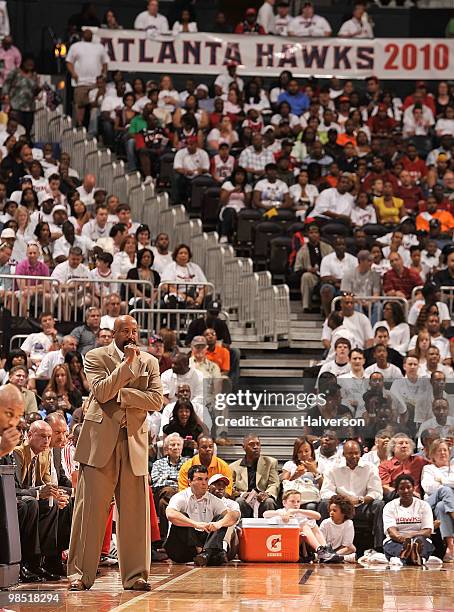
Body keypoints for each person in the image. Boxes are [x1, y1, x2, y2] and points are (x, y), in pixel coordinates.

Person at [67, 315, 163, 591]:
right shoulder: (95, 356)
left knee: (135, 515)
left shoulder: (151, 361)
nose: (130, 335)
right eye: (124, 331)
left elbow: (156, 400)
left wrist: (124, 395)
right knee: (89, 512)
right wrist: (127, 367)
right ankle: (79, 574)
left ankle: (136, 576)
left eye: (134, 330)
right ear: (113, 333)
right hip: (99, 443)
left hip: (134, 442)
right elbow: (100, 391)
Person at [13, 419, 69, 581]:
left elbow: (46, 484)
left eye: (49, 437)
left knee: (55, 505)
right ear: (29, 435)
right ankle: (27, 563)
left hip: (29, 499)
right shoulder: (18, 453)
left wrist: (56, 494)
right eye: (42, 436)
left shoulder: (43, 455)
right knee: (30, 505)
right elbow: (15, 489)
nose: (47, 441)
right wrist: (39, 493)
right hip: (20, 500)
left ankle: (45, 561)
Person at [165, 465, 240, 566]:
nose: (204, 483)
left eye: (206, 479)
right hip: (182, 548)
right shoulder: (180, 497)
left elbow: (234, 515)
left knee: (222, 519)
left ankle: (206, 554)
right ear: (189, 481)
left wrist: (219, 524)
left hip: (205, 542)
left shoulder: (214, 500)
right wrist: (196, 524)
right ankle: (207, 552)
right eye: (199, 479)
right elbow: (170, 514)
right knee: (182, 516)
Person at [264, 489, 338, 562]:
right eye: (292, 501)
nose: (296, 504)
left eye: (298, 501)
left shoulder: (300, 513)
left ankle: (324, 549)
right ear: (284, 503)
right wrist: (278, 514)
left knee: (311, 523)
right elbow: (265, 514)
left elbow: (318, 516)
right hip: (284, 542)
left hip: (301, 542)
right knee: (304, 526)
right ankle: (321, 550)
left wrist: (298, 510)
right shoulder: (282, 511)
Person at [382, 474, 434, 566]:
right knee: (393, 544)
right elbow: (391, 531)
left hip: (418, 539)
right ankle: (416, 557)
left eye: (408, 487)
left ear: (413, 488)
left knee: (421, 541)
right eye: (402, 488)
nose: (406, 491)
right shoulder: (389, 506)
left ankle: (405, 557)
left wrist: (410, 536)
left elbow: (427, 531)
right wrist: (403, 539)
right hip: (397, 539)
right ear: (397, 491)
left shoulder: (424, 505)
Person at [65, 29, 108, 127]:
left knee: (95, 107)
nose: (88, 34)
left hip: (95, 83)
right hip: (81, 82)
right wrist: (73, 73)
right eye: (86, 33)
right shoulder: (75, 46)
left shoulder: (99, 47)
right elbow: (69, 62)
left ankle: (93, 130)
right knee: (80, 106)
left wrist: (104, 75)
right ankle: (79, 127)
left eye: (90, 33)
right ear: (83, 35)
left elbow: (105, 62)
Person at [420, 439, 454, 563]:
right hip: (430, 503)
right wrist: (447, 485)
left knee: (441, 506)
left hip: (443, 504)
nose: (443, 453)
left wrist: (441, 480)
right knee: (445, 491)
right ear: (433, 454)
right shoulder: (429, 468)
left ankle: (450, 548)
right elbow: (429, 487)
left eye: (445, 450)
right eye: (439, 450)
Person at [229, 434, 279, 517]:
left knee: (269, 502)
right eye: (251, 444)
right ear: (243, 447)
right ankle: (240, 529)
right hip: (244, 498)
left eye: (258, 444)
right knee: (239, 501)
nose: (256, 447)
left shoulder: (270, 462)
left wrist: (267, 494)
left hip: (263, 498)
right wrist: (242, 494)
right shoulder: (233, 467)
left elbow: (274, 483)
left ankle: (268, 529)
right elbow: (231, 488)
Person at [294, 224, 333, 313]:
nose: (314, 235)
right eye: (311, 233)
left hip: (326, 275)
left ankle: (325, 308)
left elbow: (334, 262)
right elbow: (297, 269)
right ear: (308, 235)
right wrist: (308, 270)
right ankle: (306, 306)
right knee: (306, 276)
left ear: (319, 234)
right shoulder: (302, 250)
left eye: (316, 232)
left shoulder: (327, 247)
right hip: (313, 276)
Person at [379, 433, 428, 501]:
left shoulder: (419, 461)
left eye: (407, 443)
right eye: (401, 443)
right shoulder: (385, 465)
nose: (404, 446)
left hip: (417, 500)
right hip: (395, 499)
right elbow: (385, 487)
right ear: (393, 448)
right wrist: (404, 493)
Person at [3, 55, 41, 135]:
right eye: (28, 63)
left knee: (26, 131)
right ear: (23, 63)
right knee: (14, 129)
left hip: (29, 108)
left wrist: (39, 89)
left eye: (32, 64)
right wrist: (6, 96)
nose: (30, 65)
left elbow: (35, 92)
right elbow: (6, 84)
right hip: (16, 107)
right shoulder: (15, 72)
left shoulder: (34, 75)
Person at [319, 237, 357, 316]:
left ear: (346, 247)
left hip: (349, 286)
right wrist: (338, 282)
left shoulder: (353, 259)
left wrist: (342, 283)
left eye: (343, 245)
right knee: (326, 289)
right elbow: (324, 277)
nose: (341, 247)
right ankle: (328, 317)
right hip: (333, 286)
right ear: (334, 246)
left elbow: (356, 276)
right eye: (338, 245)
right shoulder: (326, 259)